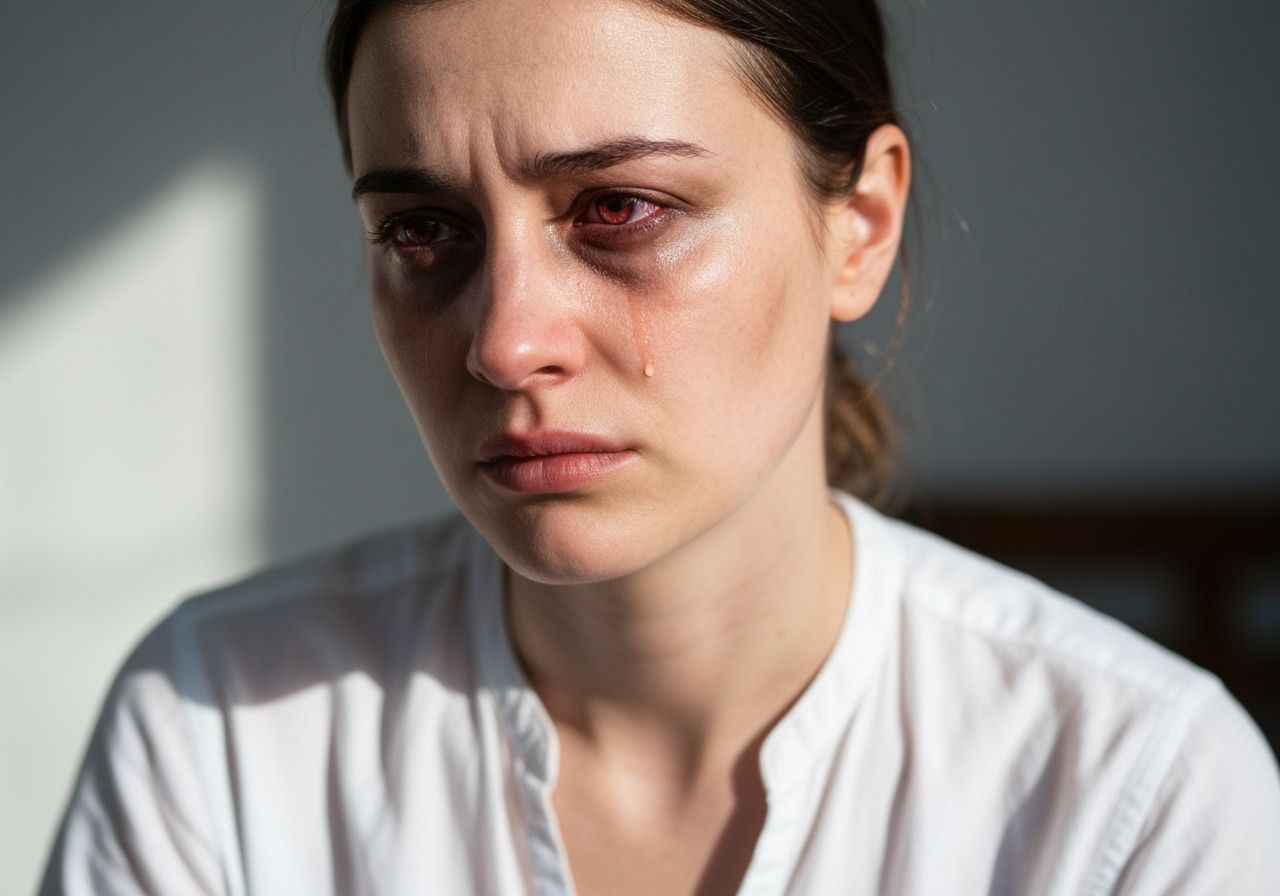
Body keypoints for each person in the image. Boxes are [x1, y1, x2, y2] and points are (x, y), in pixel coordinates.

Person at [39, 0, 1280, 893]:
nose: (504, 340)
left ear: (856, 223)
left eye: (620, 208)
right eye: (423, 228)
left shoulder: (1133, 791)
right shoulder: (219, 726)